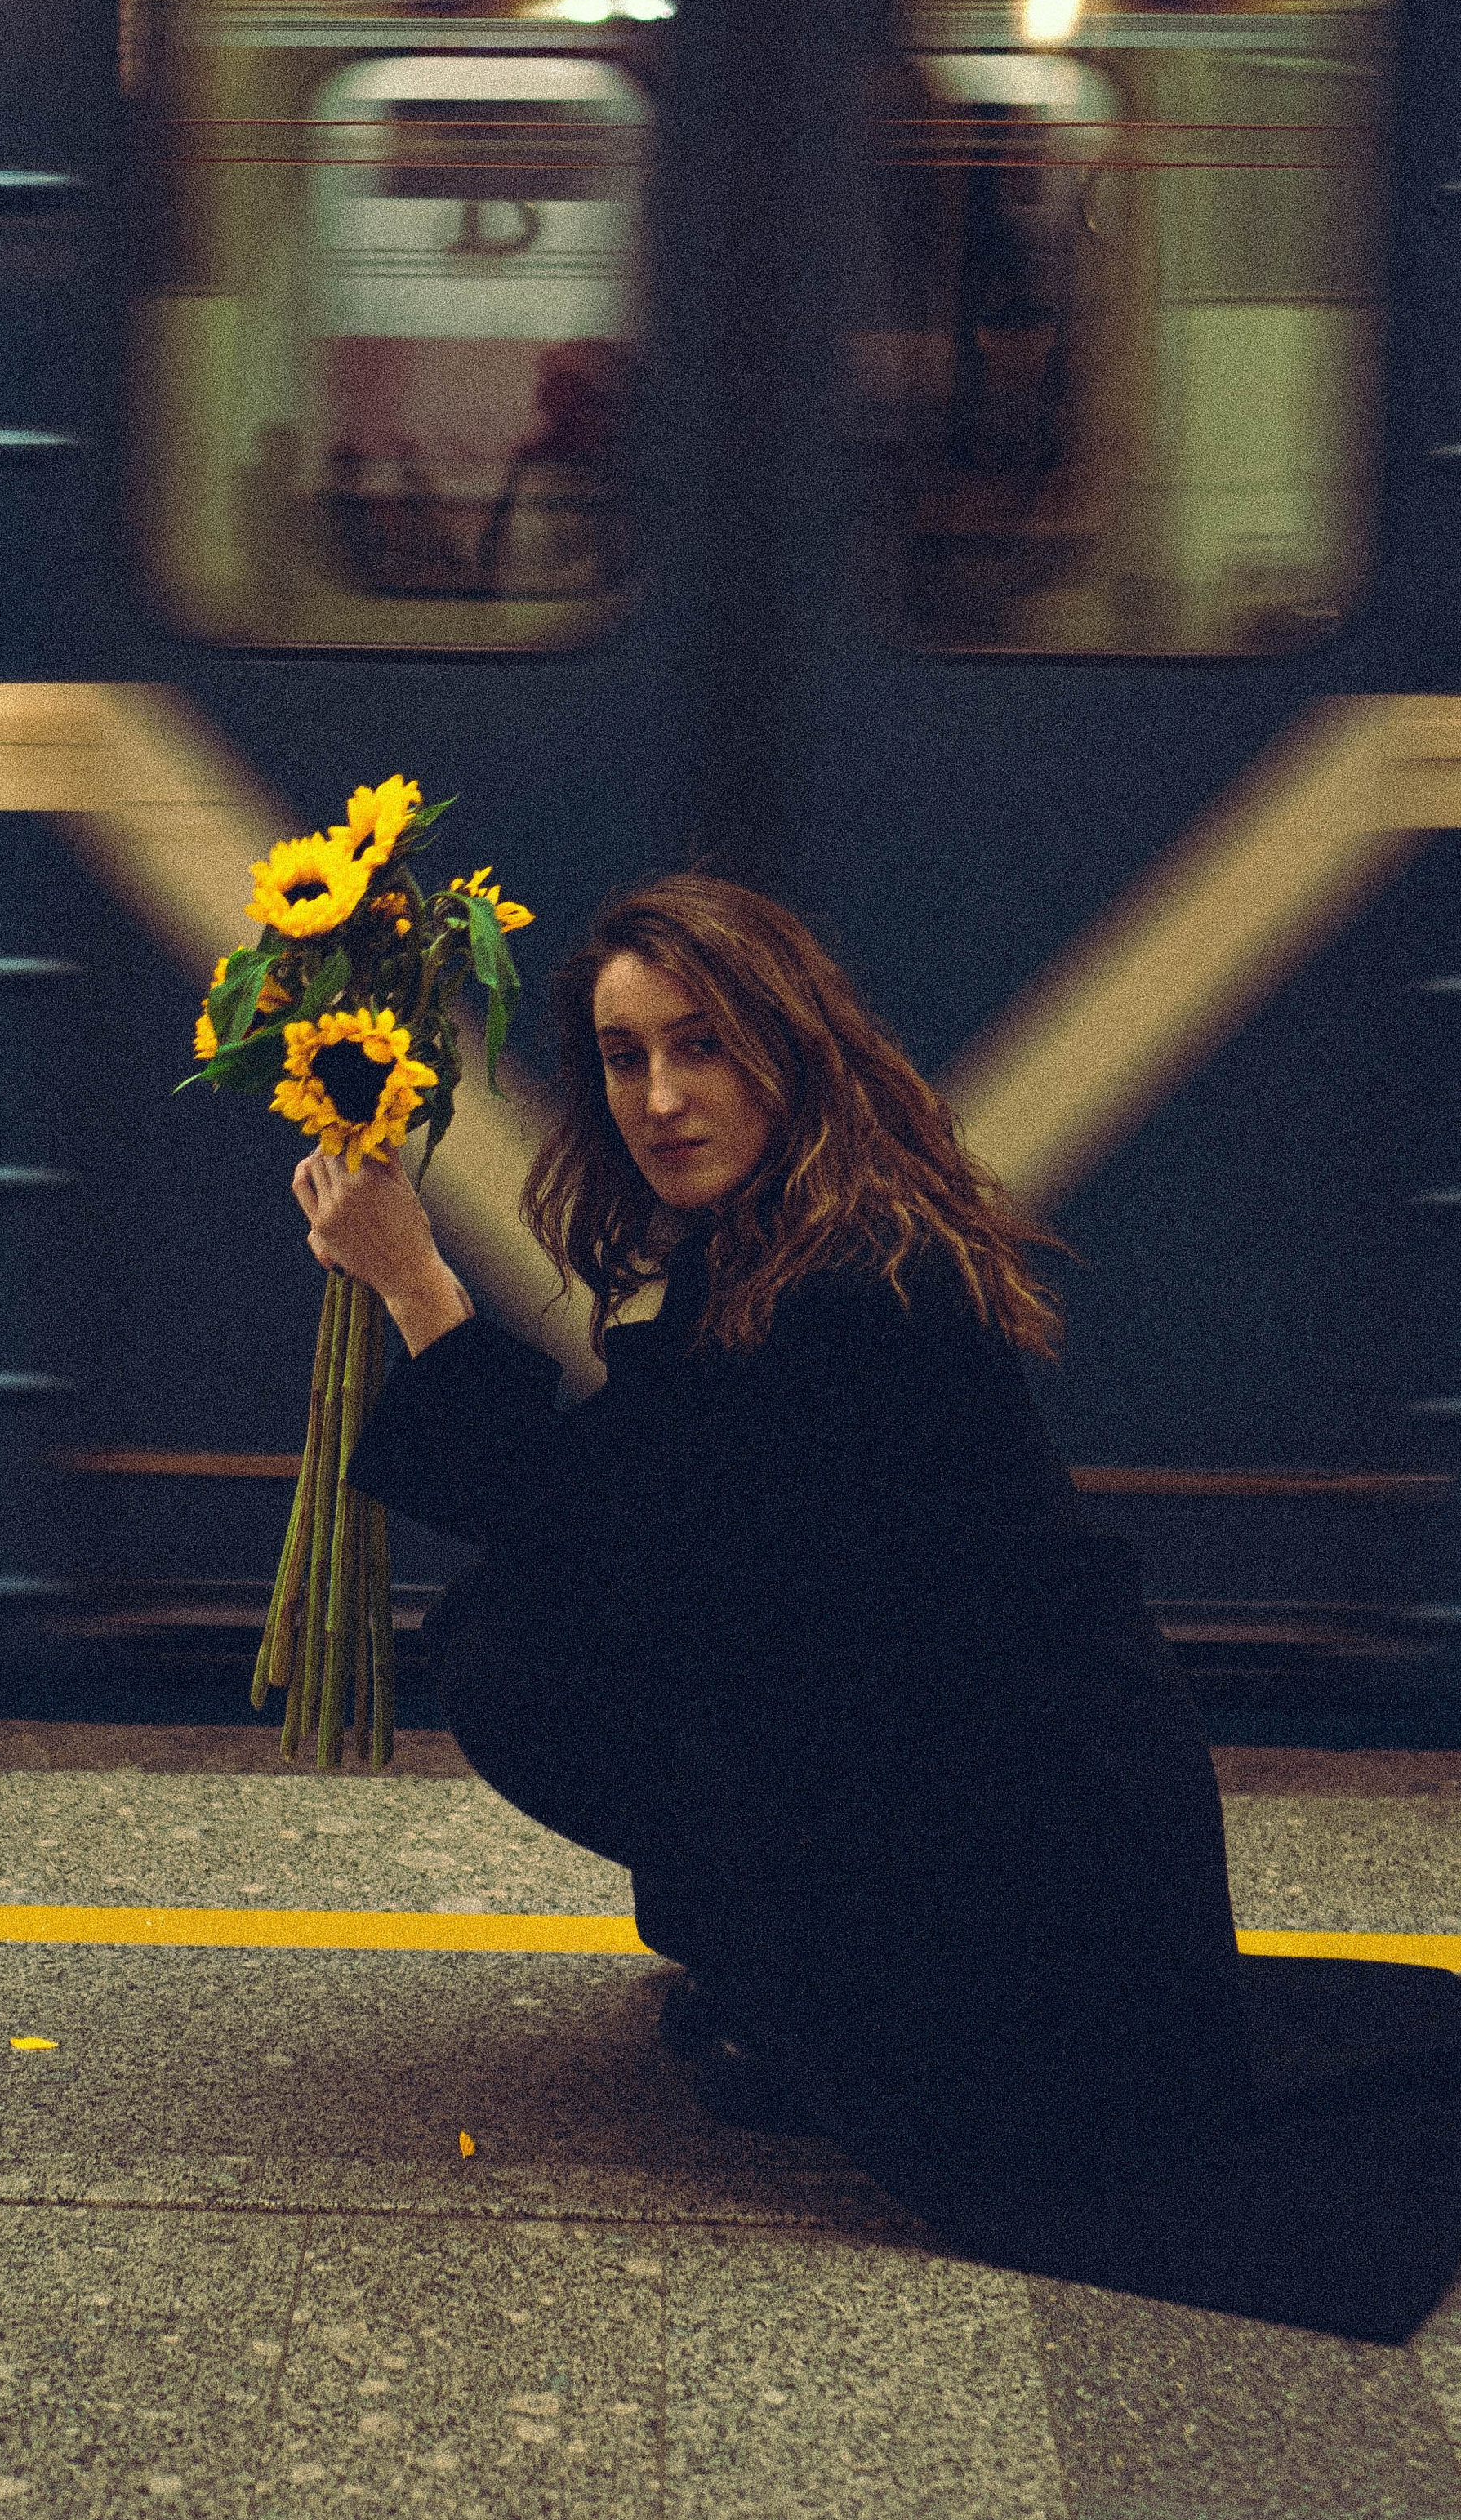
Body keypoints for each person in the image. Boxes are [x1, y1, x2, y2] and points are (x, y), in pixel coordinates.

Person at [292, 871, 1461, 2342]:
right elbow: (642, 1518)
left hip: (1020, 1872)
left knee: (525, 1651)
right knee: (541, 1632)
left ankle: (821, 1998)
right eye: (624, 1056)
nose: (659, 1098)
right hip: (1009, 1800)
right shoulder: (799, 1236)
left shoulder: (850, 1289)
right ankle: (783, 1968)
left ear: (788, 1046)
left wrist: (418, 1287)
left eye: (703, 1045)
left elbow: (604, 1528)